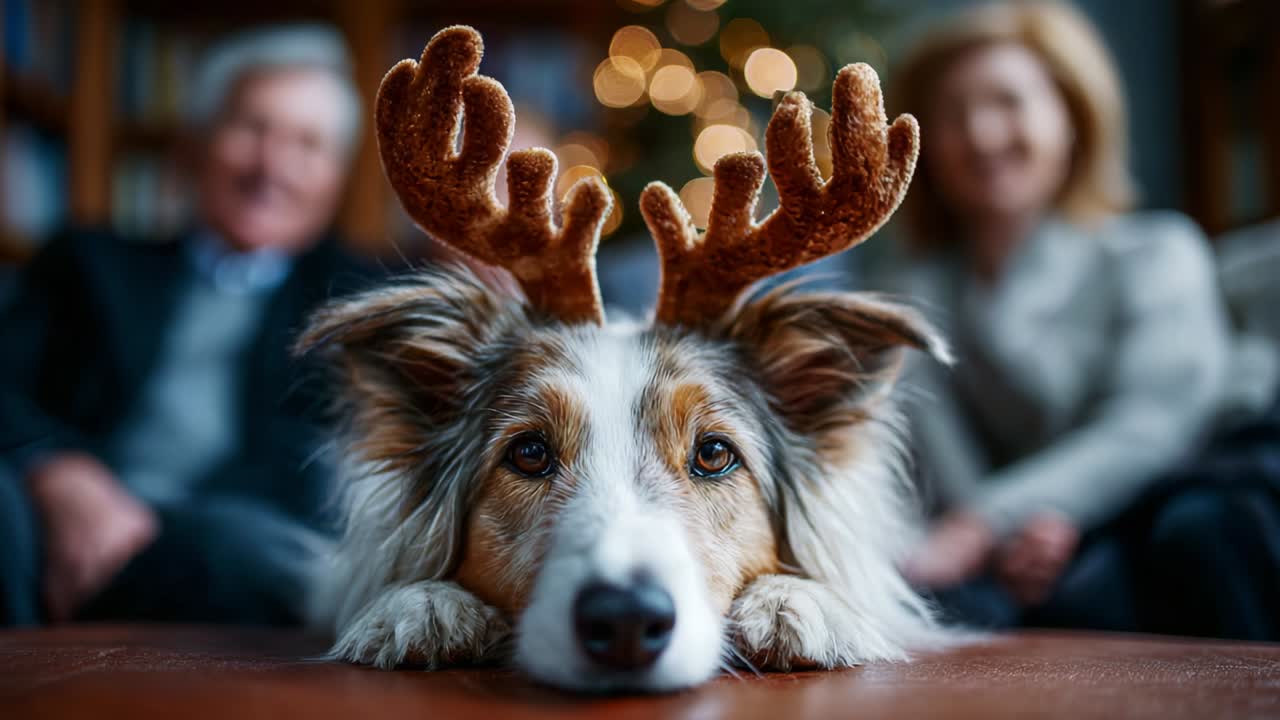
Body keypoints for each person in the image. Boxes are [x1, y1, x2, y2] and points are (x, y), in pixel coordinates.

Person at [880, 1, 1277, 636]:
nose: (981, 134)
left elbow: (1154, 426)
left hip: (1168, 502)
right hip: (1011, 556)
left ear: (1072, 120)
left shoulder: (1156, 253)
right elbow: (937, 467)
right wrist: (1013, 536)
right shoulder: (913, 295)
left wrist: (993, 520)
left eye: (1009, 102)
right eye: (953, 114)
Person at [0, 25, 379, 626]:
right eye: (252, 128)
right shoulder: (86, 262)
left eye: (308, 144)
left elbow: (326, 459)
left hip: (225, 541)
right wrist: (60, 472)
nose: (272, 166)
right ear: (198, 142)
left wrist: (155, 525)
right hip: (53, 522)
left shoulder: (363, 302)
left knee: (253, 554)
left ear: (336, 176)